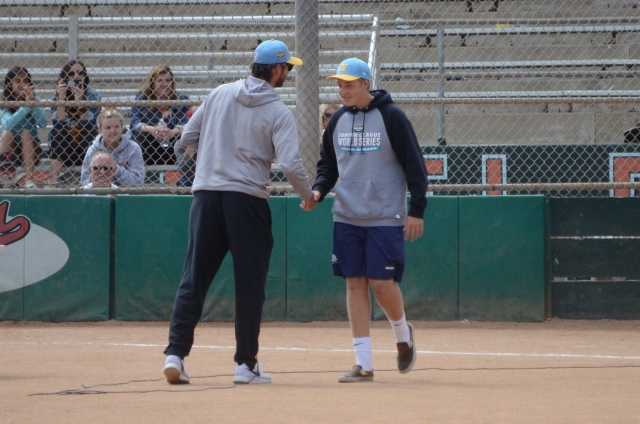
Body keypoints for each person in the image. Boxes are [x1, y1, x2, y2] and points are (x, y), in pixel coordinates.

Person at [163, 39, 316, 386]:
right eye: (286, 68)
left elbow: (187, 137)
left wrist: (217, 151)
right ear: (275, 70)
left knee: (194, 278)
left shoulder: (220, 93)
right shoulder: (278, 111)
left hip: (206, 196)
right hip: (247, 200)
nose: (288, 73)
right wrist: (307, 195)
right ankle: (245, 364)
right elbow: (290, 163)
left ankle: (175, 354)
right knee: (249, 284)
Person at [306, 58, 428, 383]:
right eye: (339, 85)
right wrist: (318, 191)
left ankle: (403, 335)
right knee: (354, 282)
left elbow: (415, 165)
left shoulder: (392, 117)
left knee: (381, 282)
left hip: (385, 214)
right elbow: (327, 166)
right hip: (347, 215)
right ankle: (363, 364)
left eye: (348, 85)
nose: (342, 91)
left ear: (365, 84)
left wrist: (417, 209)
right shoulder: (336, 120)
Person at [48, 60, 101, 187]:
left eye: (80, 73)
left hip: (85, 143)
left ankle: (89, 180)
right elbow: (58, 122)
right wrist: (61, 99)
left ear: (85, 76)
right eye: (71, 74)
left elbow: (89, 122)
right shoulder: (57, 94)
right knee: (59, 131)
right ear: (65, 77)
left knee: (91, 130)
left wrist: (80, 101)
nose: (76, 77)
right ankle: (54, 181)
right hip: (64, 145)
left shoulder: (93, 94)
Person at [129, 65, 190, 166]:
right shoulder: (142, 98)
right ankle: (148, 172)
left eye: (168, 80)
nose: (165, 84)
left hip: (172, 142)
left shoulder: (182, 99)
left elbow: (188, 123)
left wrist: (173, 132)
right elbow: (134, 123)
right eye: (160, 80)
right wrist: (153, 130)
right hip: (150, 144)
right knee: (143, 136)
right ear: (152, 84)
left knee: (182, 137)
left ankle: (180, 171)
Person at [0, 66, 47, 188]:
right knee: (7, 134)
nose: (22, 84)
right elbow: (7, 125)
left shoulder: (35, 99)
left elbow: (43, 123)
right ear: (9, 84)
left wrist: (32, 103)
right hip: (11, 148)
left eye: (25, 81)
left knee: (25, 132)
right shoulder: (4, 102)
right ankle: (6, 179)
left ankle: (29, 181)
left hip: (32, 149)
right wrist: (26, 107)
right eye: (18, 81)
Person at [80, 108, 145, 187]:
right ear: (100, 129)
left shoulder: (133, 148)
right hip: (101, 192)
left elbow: (138, 183)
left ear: (122, 127)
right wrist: (100, 172)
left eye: (116, 126)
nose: (113, 131)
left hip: (126, 193)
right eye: (108, 127)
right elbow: (85, 181)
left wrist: (116, 168)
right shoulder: (93, 149)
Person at [175, 105, 198, 187]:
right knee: (183, 182)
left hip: (212, 176)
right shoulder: (180, 144)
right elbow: (184, 170)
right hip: (192, 176)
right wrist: (191, 143)